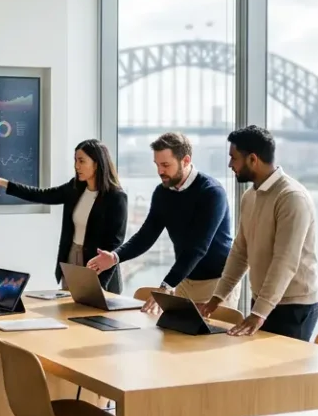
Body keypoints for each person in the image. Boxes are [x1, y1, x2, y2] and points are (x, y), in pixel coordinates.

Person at [85, 132, 238, 311]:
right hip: (186, 278)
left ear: (186, 160)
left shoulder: (212, 193)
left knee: (212, 338)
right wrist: (115, 257)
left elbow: (198, 247)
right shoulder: (163, 192)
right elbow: (147, 235)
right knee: (178, 336)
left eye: (165, 165)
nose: (160, 171)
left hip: (218, 281)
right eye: (157, 165)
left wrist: (166, 286)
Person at [198, 126, 318, 340]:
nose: (230, 165)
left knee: (284, 372)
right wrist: (216, 299)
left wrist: (258, 313)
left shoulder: (292, 198)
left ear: (253, 159)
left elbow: (285, 261)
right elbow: (239, 252)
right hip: (263, 303)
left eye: (233, 158)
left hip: (294, 307)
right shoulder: (250, 196)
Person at [0, 139, 128, 291]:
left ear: (97, 163)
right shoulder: (75, 188)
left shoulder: (116, 197)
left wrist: (102, 283)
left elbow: (114, 244)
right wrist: (4, 183)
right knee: (69, 309)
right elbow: (42, 195)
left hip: (98, 264)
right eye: (75, 160)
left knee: (93, 310)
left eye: (82, 161)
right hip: (72, 256)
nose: (77, 166)